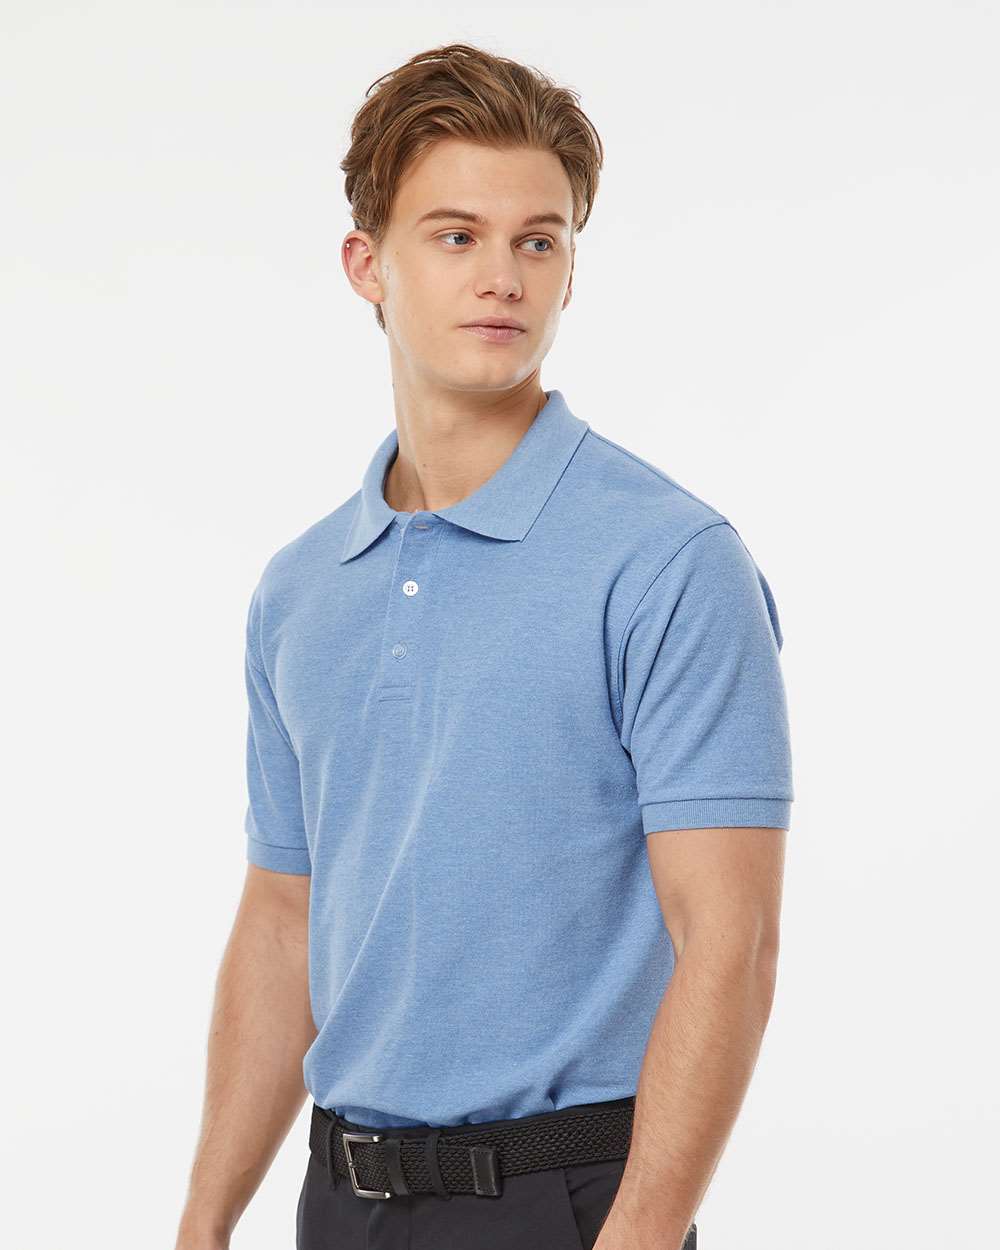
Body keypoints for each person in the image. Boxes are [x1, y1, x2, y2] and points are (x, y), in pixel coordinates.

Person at [175, 42, 794, 1250]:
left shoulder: (669, 560)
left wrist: (638, 1234)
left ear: (569, 268)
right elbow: (285, 918)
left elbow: (730, 940)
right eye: (456, 235)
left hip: (566, 1199)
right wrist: (202, 1222)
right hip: (338, 1199)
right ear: (368, 265)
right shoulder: (299, 590)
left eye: (538, 240)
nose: (503, 277)